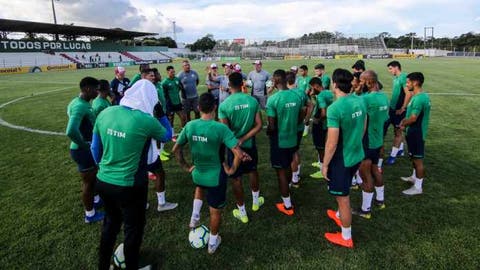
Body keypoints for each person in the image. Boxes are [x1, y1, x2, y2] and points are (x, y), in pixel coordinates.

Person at [91, 79, 169, 270]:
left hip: (103, 181)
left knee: (110, 224)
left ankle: (103, 266)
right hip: (131, 185)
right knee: (133, 229)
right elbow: (167, 135)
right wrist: (162, 115)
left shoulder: (106, 112)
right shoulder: (146, 120)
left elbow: (94, 148)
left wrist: (104, 168)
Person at [172, 93, 250, 254]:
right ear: (215, 107)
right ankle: (212, 244)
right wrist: (232, 169)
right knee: (215, 211)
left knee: (199, 188)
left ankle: (194, 218)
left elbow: (176, 149)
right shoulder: (220, 128)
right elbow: (238, 153)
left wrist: (186, 167)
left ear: (198, 108)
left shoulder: (190, 126)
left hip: (198, 173)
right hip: (215, 177)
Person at [322, 69, 366, 248]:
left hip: (342, 159)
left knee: (343, 198)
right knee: (344, 187)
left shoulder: (335, 108)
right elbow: (364, 126)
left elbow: (331, 143)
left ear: (334, 83)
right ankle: (339, 215)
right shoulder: (359, 100)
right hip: (357, 154)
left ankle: (346, 237)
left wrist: (324, 165)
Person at [218, 72, 264, 223]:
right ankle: (256, 203)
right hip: (249, 144)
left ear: (229, 85)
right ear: (243, 84)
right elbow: (259, 125)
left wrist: (237, 143)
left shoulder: (224, 105)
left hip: (233, 148)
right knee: (252, 170)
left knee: (236, 178)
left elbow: (225, 132)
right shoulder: (252, 100)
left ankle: (242, 212)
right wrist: (244, 139)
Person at [66, 77, 104, 224]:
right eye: (96, 89)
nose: (97, 91)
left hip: (83, 150)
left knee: (93, 178)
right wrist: (85, 144)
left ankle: (96, 201)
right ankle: (90, 214)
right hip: (82, 151)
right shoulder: (79, 106)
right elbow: (70, 131)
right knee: (88, 183)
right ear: (88, 89)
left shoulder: (77, 102)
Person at [351, 70, 389, 219]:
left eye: (361, 81)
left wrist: (356, 93)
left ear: (369, 82)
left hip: (366, 141)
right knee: (375, 170)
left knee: (365, 175)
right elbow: (385, 119)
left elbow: (352, 106)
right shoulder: (384, 98)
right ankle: (380, 200)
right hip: (378, 140)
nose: (359, 83)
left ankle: (365, 210)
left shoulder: (365, 99)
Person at [266, 69, 303, 216]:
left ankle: (287, 205)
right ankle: (287, 187)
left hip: (279, 141)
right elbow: (301, 116)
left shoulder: (273, 99)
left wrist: (269, 131)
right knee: (288, 164)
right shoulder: (297, 95)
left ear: (275, 81)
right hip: (293, 138)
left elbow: (272, 126)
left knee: (281, 171)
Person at [399, 72, 431, 195]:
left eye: (408, 82)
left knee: (418, 160)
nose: (406, 85)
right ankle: (413, 177)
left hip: (416, 134)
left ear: (415, 82)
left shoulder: (419, 98)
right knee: (414, 157)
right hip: (413, 132)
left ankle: (418, 187)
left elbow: (413, 118)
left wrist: (403, 124)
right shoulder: (421, 96)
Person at [384, 61, 412, 165]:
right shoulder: (396, 78)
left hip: (399, 110)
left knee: (398, 132)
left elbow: (408, 94)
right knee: (396, 130)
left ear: (396, 67)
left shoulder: (403, 77)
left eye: (391, 68)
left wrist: (403, 108)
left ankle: (393, 156)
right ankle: (400, 150)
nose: (389, 71)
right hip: (392, 109)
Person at [287, 71, 311, 188]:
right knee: (296, 150)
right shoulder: (301, 92)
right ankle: (297, 173)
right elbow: (310, 105)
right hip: (300, 127)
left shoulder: (288, 94)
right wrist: (306, 118)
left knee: (291, 153)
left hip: (291, 128)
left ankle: (295, 179)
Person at [308, 77, 334, 179]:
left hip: (321, 126)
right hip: (330, 124)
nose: (311, 89)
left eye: (311, 87)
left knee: (320, 148)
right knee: (327, 146)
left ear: (315, 86)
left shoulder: (321, 96)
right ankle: (324, 164)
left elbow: (323, 112)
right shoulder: (328, 92)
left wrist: (317, 120)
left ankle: (322, 169)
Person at [162, 65, 187, 134]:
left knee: (183, 117)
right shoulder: (165, 82)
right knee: (171, 119)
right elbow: (163, 94)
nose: (173, 73)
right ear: (167, 72)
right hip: (170, 104)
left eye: (174, 72)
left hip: (178, 102)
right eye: (171, 72)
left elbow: (180, 87)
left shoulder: (176, 79)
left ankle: (183, 132)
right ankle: (172, 134)